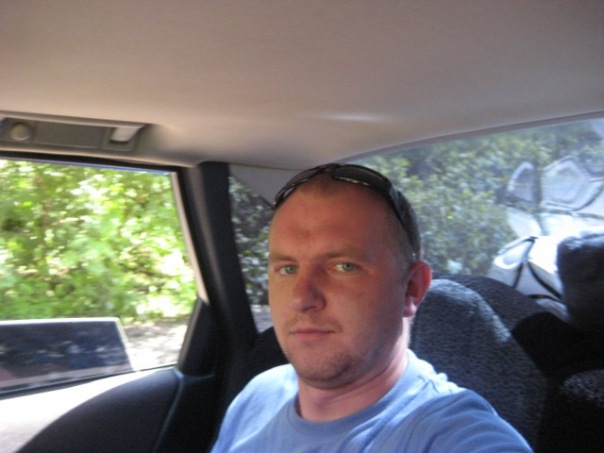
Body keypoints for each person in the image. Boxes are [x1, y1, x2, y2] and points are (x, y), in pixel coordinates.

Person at [211, 163, 531, 452]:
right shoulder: (258, 396)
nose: (301, 298)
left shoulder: (453, 437)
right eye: (288, 269)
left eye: (344, 267)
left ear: (411, 289)